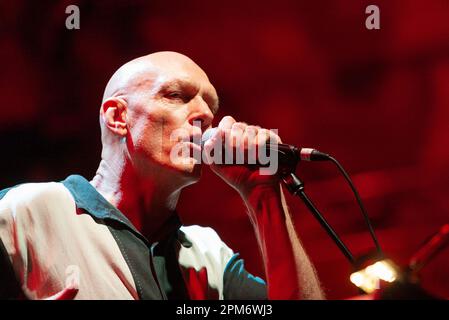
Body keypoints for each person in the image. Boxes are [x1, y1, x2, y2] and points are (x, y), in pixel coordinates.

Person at [0, 52, 324, 300]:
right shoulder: (28, 211)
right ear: (117, 116)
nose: (205, 115)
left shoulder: (207, 255)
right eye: (176, 96)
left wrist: (263, 195)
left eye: (210, 105)